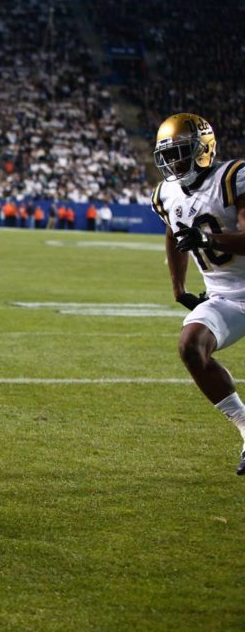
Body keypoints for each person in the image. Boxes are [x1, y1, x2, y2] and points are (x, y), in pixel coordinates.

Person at [149, 113, 245, 475]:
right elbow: (174, 234)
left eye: (182, 152)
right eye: (168, 155)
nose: (174, 162)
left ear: (204, 148)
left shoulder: (233, 177)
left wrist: (210, 239)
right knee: (191, 346)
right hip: (226, 296)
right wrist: (178, 288)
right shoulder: (166, 194)